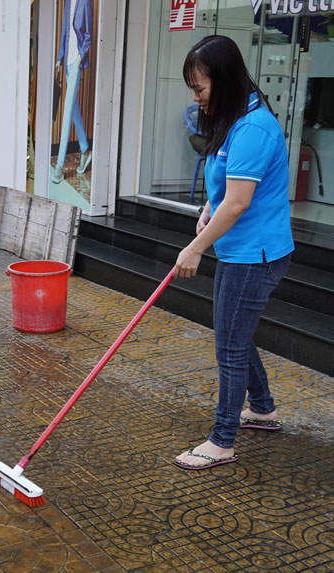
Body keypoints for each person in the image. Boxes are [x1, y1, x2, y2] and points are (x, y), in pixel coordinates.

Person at [172, 36, 294, 470]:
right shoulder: (236, 117)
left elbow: (240, 202)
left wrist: (193, 249)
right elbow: (227, 189)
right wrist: (208, 207)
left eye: (200, 88)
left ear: (222, 81)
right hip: (239, 249)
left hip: (254, 254)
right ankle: (261, 409)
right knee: (235, 336)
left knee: (229, 346)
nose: (196, 97)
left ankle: (222, 441)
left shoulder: (254, 128)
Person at [51, 0, 93, 184]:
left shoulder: (86, 2)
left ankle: (59, 165)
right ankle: (84, 149)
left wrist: (81, 57)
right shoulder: (68, 2)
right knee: (73, 106)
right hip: (67, 60)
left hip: (76, 59)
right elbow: (65, 31)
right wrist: (60, 57)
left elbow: (89, 34)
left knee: (68, 108)